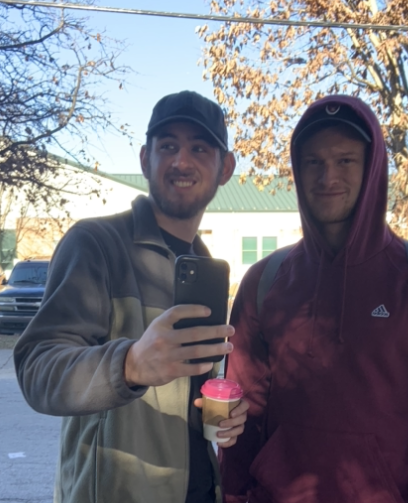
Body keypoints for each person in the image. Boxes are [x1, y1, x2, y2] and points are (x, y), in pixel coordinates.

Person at [220, 95, 408, 503]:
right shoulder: (264, 281)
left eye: (345, 160)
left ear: (372, 168)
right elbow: (242, 415)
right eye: (314, 162)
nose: (328, 177)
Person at [14, 90, 249, 503]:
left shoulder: (206, 270)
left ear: (225, 168)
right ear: (145, 160)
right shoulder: (96, 244)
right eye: (168, 146)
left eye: (199, 148)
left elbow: (186, 393)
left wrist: (221, 411)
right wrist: (130, 365)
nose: (182, 161)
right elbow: (37, 370)